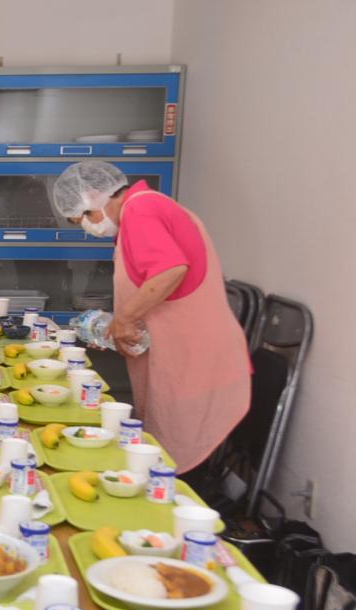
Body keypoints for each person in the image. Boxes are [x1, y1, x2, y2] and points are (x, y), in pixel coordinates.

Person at [51, 160, 250, 472]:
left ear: (97, 195)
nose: (89, 227)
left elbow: (169, 269)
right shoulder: (144, 209)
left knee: (177, 455)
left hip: (194, 356)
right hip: (182, 352)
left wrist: (125, 319)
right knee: (165, 447)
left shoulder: (140, 211)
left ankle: (184, 514)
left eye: (86, 217)